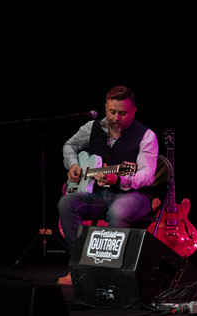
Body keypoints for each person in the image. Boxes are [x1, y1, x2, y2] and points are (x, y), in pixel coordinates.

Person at [57, 86, 159, 285]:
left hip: (133, 195)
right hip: (96, 194)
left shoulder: (146, 135)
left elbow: (147, 174)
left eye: (123, 113)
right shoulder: (92, 127)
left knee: (118, 212)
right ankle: (79, 267)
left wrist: (120, 179)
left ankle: (114, 275)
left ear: (134, 111)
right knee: (67, 203)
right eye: (112, 112)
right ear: (105, 108)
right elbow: (69, 145)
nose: (116, 118)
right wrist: (73, 165)